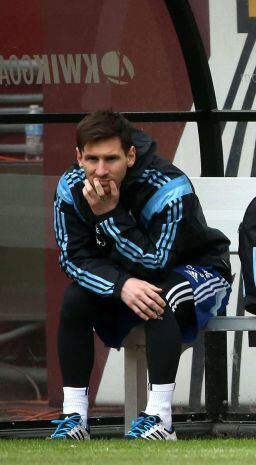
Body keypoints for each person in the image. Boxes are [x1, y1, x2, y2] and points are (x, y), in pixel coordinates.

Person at [50, 110, 232, 440]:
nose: (101, 171)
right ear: (78, 156)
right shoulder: (70, 187)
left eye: (111, 159)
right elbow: (73, 259)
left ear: (130, 155)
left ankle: (160, 418)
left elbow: (157, 263)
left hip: (199, 271)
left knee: (161, 292)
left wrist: (109, 215)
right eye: (91, 159)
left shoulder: (169, 186)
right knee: (74, 298)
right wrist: (120, 285)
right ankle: (74, 417)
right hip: (129, 279)